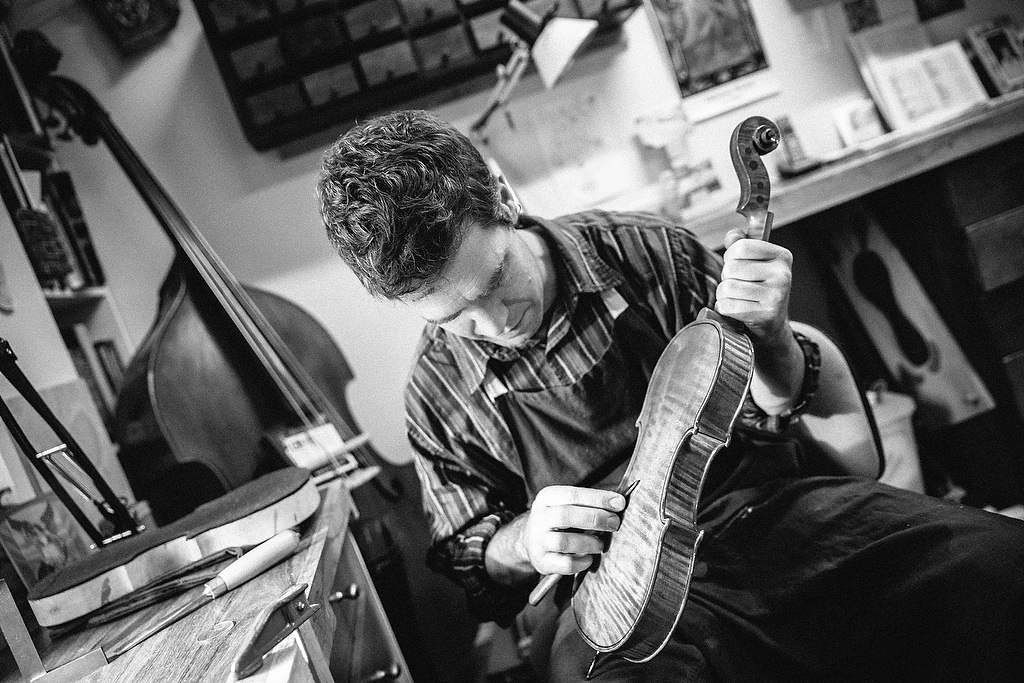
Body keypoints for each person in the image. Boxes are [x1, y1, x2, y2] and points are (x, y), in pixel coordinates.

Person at [316, 109, 1024, 682]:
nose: (498, 322)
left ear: (503, 198)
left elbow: (792, 412)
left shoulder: (645, 252)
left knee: (993, 560)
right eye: (456, 317)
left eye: (498, 277)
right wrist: (524, 539)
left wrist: (774, 337)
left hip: (765, 516)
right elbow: (475, 563)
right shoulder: (437, 393)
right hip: (623, 595)